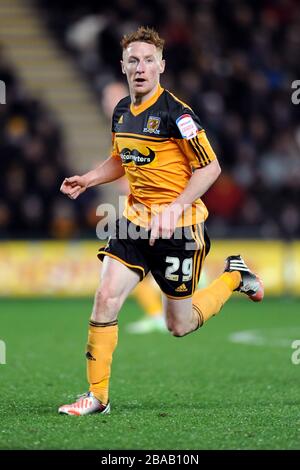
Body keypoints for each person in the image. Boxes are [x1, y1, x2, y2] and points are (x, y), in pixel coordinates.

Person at [58, 26, 264, 416]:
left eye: (149, 61)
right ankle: (97, 396)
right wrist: (89, 178)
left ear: (161, 66)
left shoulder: (177, 114)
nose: (141, 68)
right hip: (135, 221)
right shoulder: (121, 111)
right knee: (105, 298)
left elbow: (211, 167)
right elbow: (121, 159)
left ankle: (234, 276)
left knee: (179, 325)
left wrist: (174, 208)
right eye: (133, 60)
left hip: (180, 229)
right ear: (123, 66)